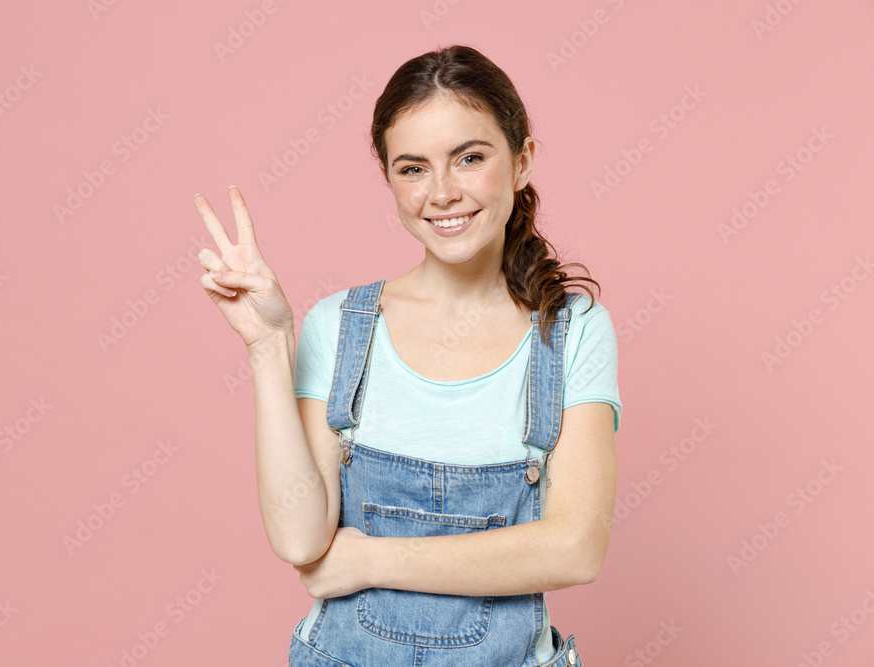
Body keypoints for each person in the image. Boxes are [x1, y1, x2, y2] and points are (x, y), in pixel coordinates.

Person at [195, 44, 619, 667]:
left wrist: (372, 559)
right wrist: (268, 347)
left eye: (470, 158)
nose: (441, 193)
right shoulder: (341, 326)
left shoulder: (572, 330)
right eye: (413, 168)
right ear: (389, 179)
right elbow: (300, 539)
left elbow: (575, 549)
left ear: (522, 161)